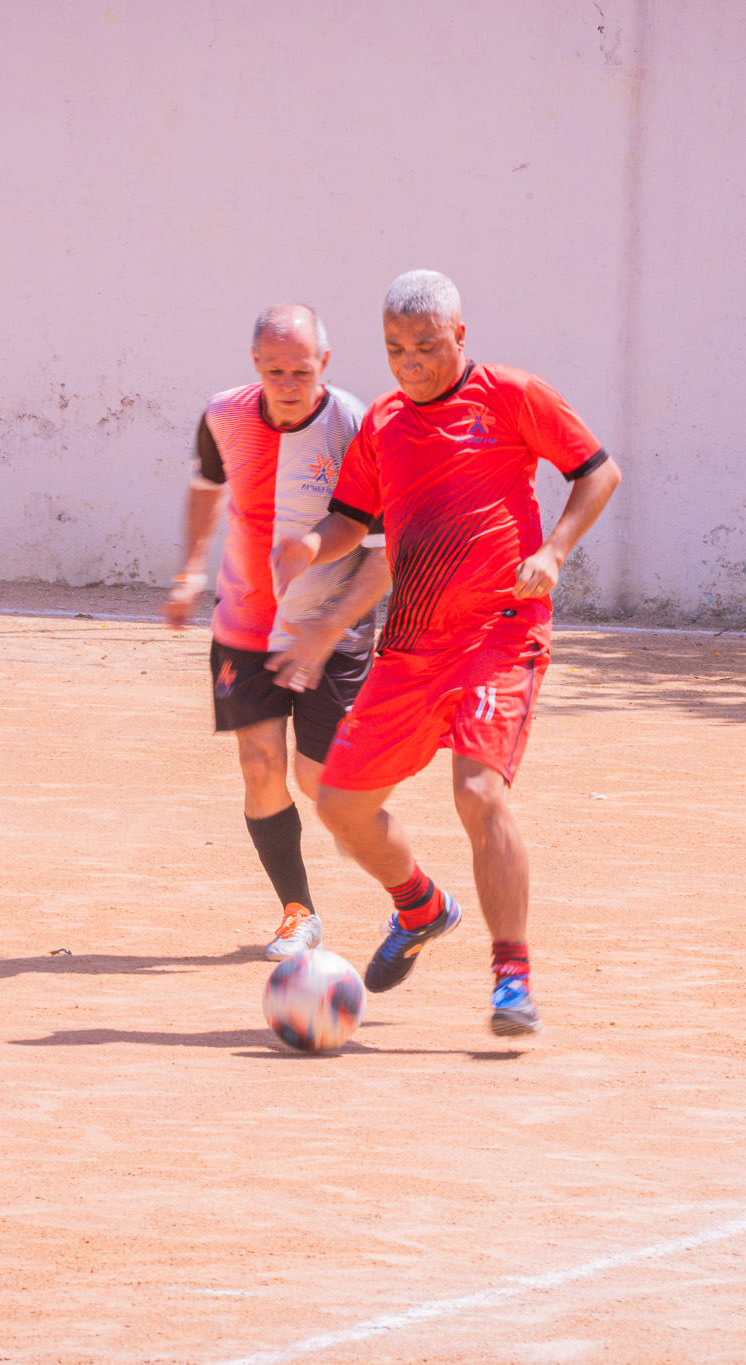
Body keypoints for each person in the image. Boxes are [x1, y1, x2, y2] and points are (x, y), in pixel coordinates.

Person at [272, 270, 620, 1036]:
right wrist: (308, 546)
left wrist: (555, 551)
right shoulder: (383, 425)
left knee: (478, 793)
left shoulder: (511, 395)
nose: (412, 363)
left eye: (427, 346)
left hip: (499, 633)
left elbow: (599, 472)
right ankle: (420, 905)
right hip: (410, 646)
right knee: (339, 805)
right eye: (396, 349)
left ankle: (511, 980)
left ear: (460, 335)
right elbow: (351, 519)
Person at [165, 304, 390, 960]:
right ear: (255, 364)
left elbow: (385, 554)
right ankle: (298, 912)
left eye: (301, 370)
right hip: (243, 622)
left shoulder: (356, 428)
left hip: (330, 629)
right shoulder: (223, 415)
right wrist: (189, 570)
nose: (288, 384)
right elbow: (206, 487)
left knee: (324, 786)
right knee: (259, 763)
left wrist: (327, 627)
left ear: (325, 362)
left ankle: (415, 897)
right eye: (274, 371)